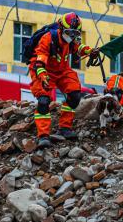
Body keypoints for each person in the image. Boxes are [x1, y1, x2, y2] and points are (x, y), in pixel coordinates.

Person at [29, 12, 98, 149]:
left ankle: (65, 128)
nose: (71, 36)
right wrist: (42, 74)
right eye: (69, 33)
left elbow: (78, 47)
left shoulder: (71, 40)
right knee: (43, 101)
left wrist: (89, 51)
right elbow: (40, 58)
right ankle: (43, 136)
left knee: (75, 96)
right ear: (61, 28)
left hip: (62, 70)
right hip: (43, 69)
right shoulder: (48, 38)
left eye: (75, 33)